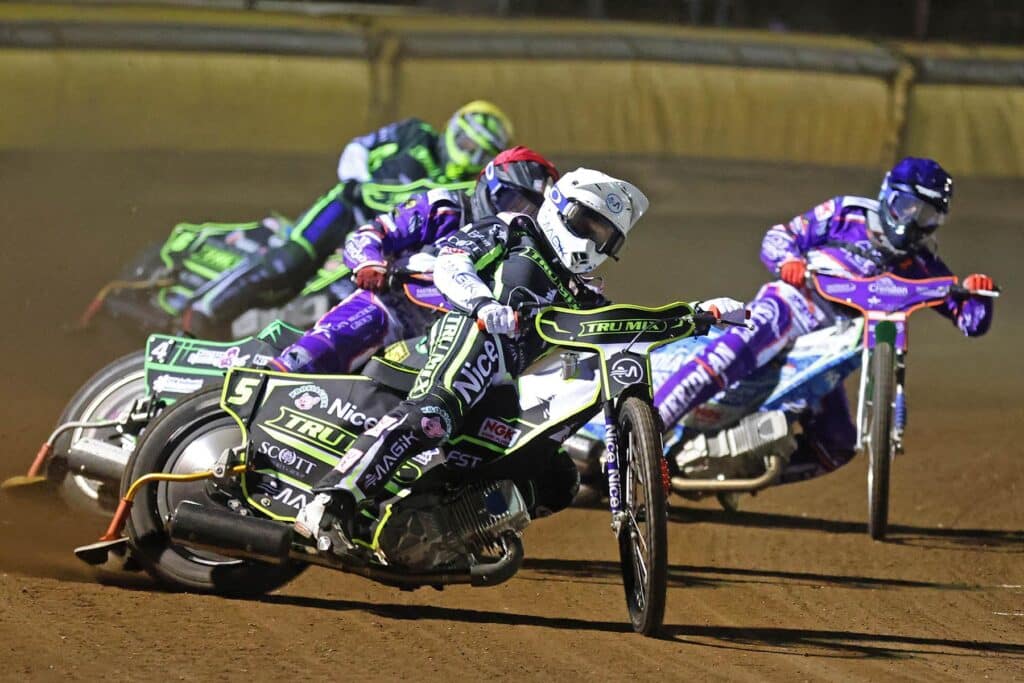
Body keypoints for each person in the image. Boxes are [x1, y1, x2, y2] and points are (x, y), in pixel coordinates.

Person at [293, 167, 650, 546]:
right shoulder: (515, 229)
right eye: (587, 224)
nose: (592, 242)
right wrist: (483, 304)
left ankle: (439, 531)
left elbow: (621, 329)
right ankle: (331, 499)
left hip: (507, 386)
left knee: (558, 478)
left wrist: (690, 319)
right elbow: (452, 259)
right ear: (559, 207)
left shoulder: (586, 296)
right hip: (470, 331)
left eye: (604, 236)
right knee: (433, 415)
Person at [655, 157, 997, 483]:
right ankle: (646, 431)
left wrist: (978, 294)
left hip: (835, 344)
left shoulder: (922, 263)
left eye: (926, 215)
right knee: (727, 356)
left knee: (837, 445)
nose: (912, 221)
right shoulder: (847, 213)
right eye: (906, 206)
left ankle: (735, 467)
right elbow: (780, 236)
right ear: (887, 195)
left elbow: (971, 321)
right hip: (794, 304)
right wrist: (788, 261)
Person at [181, 101, 514, 336]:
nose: (469, 154)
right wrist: (358, 181)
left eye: (480, 152)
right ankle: (204, 311)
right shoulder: (415, 133)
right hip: (347, 209)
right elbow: (359, 148)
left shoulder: (465, 190)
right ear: (453, 128)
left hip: (384, 246)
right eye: (466, 142)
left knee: (353, 304)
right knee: (289, 262)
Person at [268, 146, 561, 375]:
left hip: (454, 338)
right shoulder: (446, 206)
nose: (517, 214)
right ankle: (277, 376)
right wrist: (369, 263)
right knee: (339, 338)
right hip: (395, 307)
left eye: (529, 210)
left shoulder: (528, 252)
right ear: (490, 186)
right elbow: (373, 232)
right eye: (513, 202)